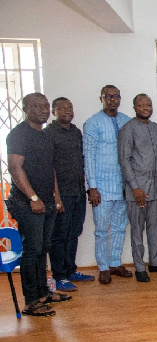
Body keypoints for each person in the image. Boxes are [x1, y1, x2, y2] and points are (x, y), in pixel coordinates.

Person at [6, 92, 69, 317]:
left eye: (44, 106)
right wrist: (34, 198)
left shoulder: (45, 136)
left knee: (43, 248)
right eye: (37, 106)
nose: (42, 109)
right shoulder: (18, 135)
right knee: (31, 252)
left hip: (48, 202)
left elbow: (50, 169)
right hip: (27, 203)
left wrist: (56, 197)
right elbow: (15, 168)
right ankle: (31, 301)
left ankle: (44, 293)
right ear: (25, 109)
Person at [118, 94, 157, 282]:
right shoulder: (128, 129)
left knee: (156, 228)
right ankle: (140, 267)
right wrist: (135, 188)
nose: (145, 108)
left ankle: (155, 263)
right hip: (138, 191)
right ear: (134, 108)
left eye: (148, 105)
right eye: (141, 105)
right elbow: (124, 160)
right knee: (137, 231)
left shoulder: (156, 128)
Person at [45, 97, 95, 292]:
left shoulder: (75, 132)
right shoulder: (49, 134)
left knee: (74, 233)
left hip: (77, 191)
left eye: (69, 107)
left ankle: (70, 270)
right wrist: (56, 197)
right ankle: (58, 276)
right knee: (59, 236)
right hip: (61, 193)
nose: (67, 111)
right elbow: (50, 168)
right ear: (54, 112)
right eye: (62, 108)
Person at [83, 85, 132, 284]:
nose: (113, 100)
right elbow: (88, 156)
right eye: (108, 96)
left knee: (120, 227)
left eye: (116, 96)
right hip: (102, 186)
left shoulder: (127, 121)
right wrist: (92, 187)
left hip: (124, 185)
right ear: (101, 98)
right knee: (102, 229)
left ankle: (114, 263)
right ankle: (103, 266)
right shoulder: (92, 123)